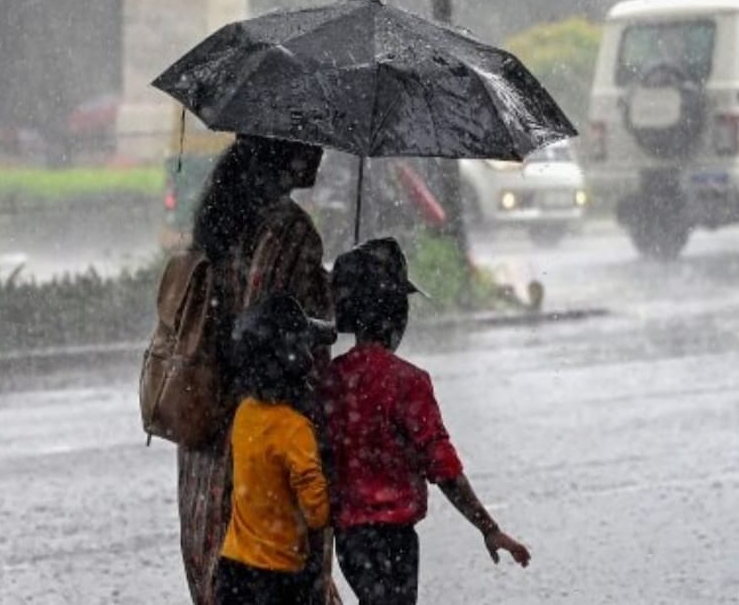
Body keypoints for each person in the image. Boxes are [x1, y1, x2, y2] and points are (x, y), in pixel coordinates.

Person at [321, 238, 531, 605]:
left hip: (347, 541)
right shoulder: (408, 381)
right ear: (396, 314)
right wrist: (488, 527)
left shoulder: (329, 380)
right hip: (395, 539)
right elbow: (443, 467)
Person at [179, 134, 334, 605]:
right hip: (265, 434)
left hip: (207, 423)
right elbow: (274, 330)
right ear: (284, 149)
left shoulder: (220, 221)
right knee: (282, 573)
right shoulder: (290, 231)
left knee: (219, 565)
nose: (320, 153)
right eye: (311, 140)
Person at [216, 295, 336, 605]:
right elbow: (318, 513)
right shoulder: (295, 430)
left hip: (232, 571)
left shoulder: (244, 414)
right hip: (278, 581)